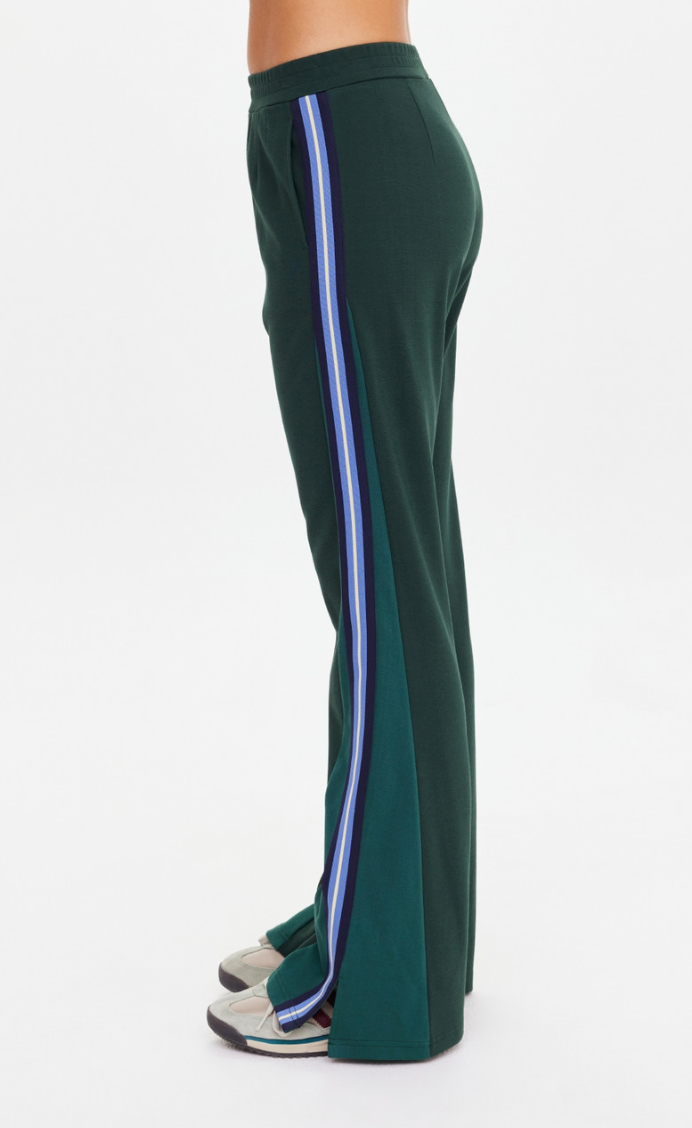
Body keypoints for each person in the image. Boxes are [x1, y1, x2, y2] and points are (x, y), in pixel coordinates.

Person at [207, 0, 483, 1061]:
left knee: (384, 591)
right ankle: (392, 927)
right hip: (340, 129)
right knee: (398, 579)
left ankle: (379, 977)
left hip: (344, 132)